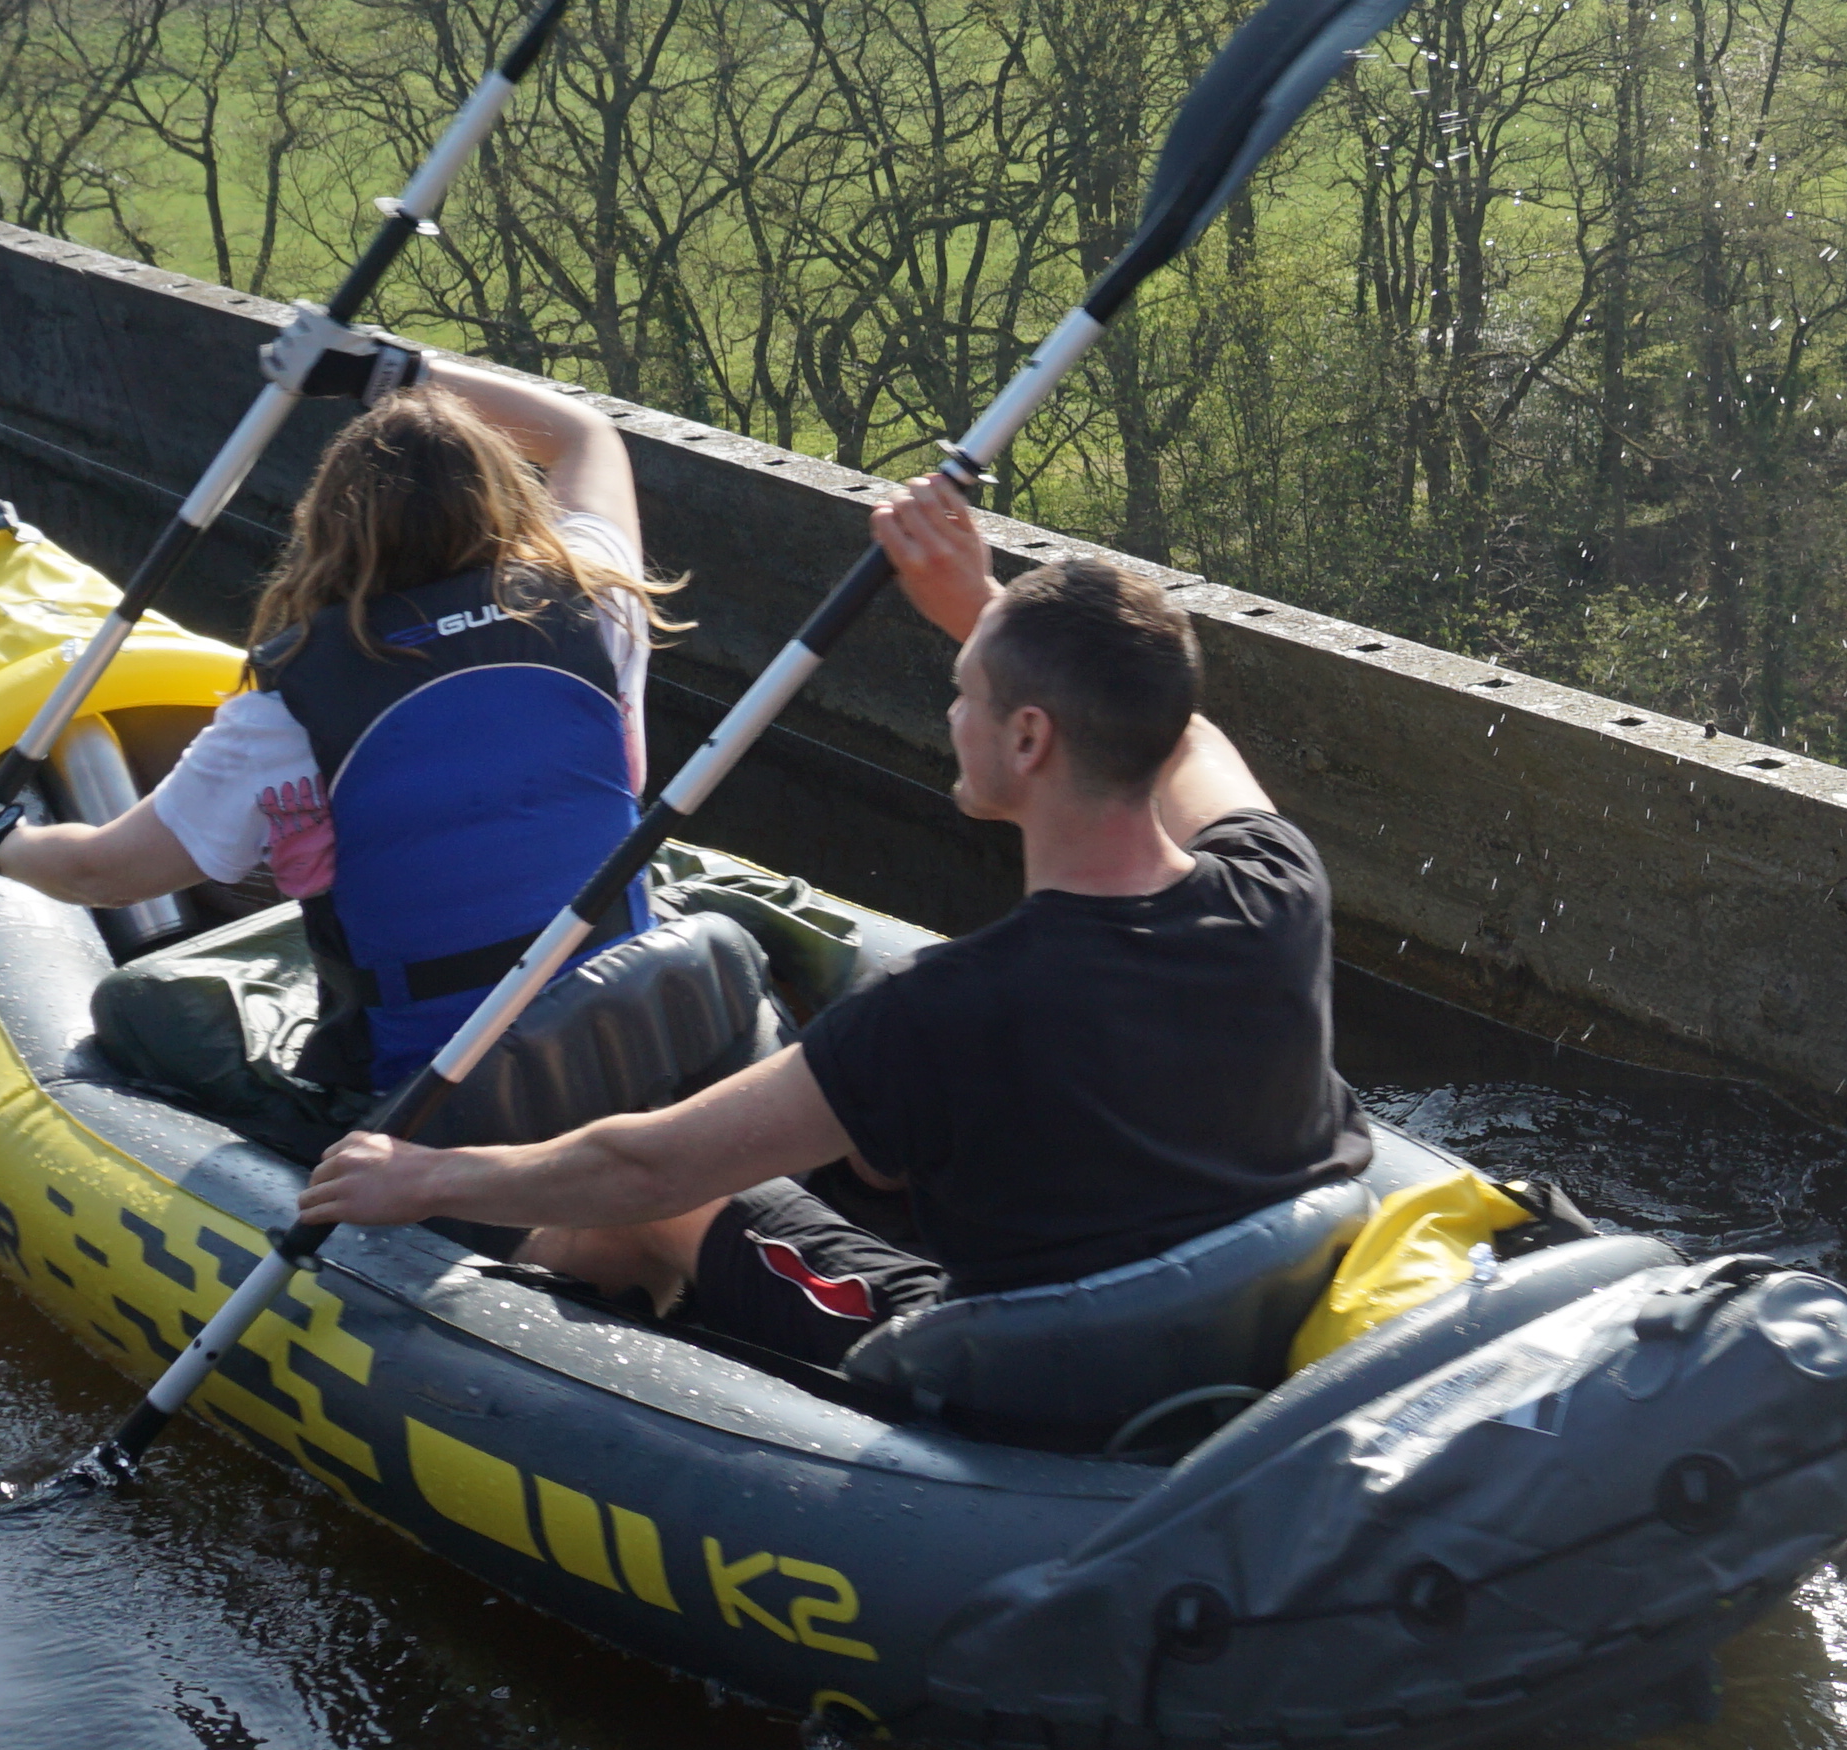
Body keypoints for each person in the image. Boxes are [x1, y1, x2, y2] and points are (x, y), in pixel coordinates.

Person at [301, 483, 1365, 1401]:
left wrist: (427, 1176)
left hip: (1019, 1379)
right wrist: (984, 612)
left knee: (671, 1205)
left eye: (966, 694)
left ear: (1029, 737)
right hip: (1221, 1317)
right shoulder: (1280, 889)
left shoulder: (945, 1011)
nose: (955, 715)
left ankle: (491, 1376)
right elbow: (1187, 737)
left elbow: (644, 1162)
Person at [0, 341, 677, 1086]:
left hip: (436, 1081)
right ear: (507, 499)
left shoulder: (288, 709)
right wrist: (389, 370)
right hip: (629, 1015)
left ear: (328, 525)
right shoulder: (598, 599)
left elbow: (103, 872)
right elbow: (585, 434)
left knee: (138, 1006)